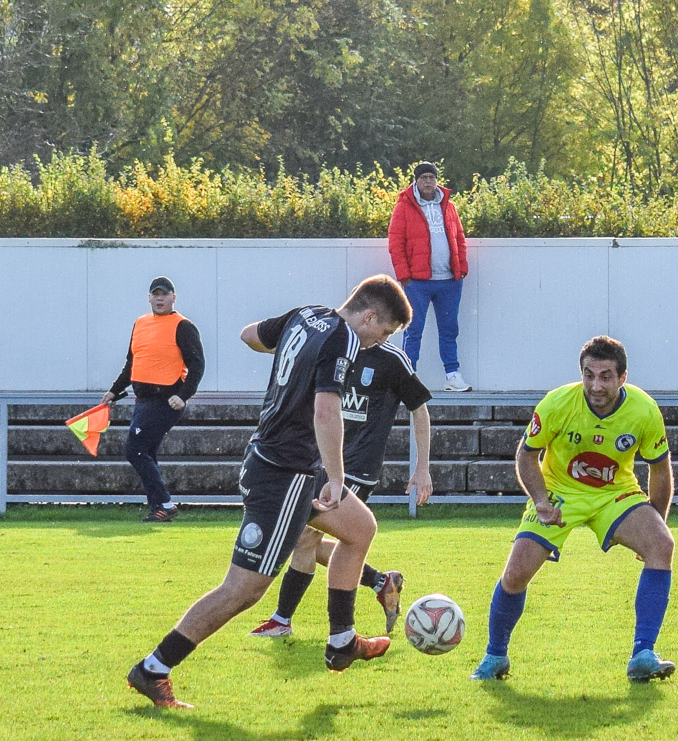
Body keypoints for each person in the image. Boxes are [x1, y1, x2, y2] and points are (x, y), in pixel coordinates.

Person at [124, 276, 412, 708]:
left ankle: (341, 640)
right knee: (243, 590)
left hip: (287, 462)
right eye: (384, 332)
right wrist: (337, 477)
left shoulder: (307, 315)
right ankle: (153, 669)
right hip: (284, 473)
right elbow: (326, 409)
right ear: (369, 316)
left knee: (359, 528)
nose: (380, 341)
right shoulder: (345, 340)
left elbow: (250, 336)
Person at [470, 335, 677, 683]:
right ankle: (495, 656)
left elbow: (660, 469)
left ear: (622, 377)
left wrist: (657, 524)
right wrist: (540, 499)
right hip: (559, 491)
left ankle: (643, 654)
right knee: (516, 572)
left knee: (662, 544)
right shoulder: (557, 403)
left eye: (606, 376)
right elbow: (526, 455)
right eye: (589, 375)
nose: (596, 386)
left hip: (614, 492)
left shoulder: (643, 410)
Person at [250, 339, 434, 639]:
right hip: (322, 462)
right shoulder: (336, 347)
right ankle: (381, 582)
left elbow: (419, 409)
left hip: (357, 468)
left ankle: (282, 620)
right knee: (303, 539)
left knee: (305, 537)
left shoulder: (392, 359)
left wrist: (422, 468)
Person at [102, 277, 205, 522]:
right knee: (145, 452)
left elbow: (197, 365)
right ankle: (158, 508)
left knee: (134, 449)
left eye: (164, 294)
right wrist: (114, 391)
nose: (160, 298)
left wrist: (183, 395)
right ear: (149, 297)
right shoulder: (140, 323)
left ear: (173, 298)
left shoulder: (183, 326)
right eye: (155, 294)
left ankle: (165, 504)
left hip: (166, 401)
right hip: (143, 401)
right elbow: (132, 363)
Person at [388, 161, 471, 392]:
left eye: (431, 177)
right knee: (413, 330)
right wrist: (404, 276)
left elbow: (459, 237)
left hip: (449, 281)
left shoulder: (448, 206)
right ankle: (407, 377)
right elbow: (395, 243)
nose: (428, 181)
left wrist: (461, 269)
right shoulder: (403, 207)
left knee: (449, 330)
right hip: (417, 283)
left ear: (437, 180)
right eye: (423, 177)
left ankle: (452, 375)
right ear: (416, 181)